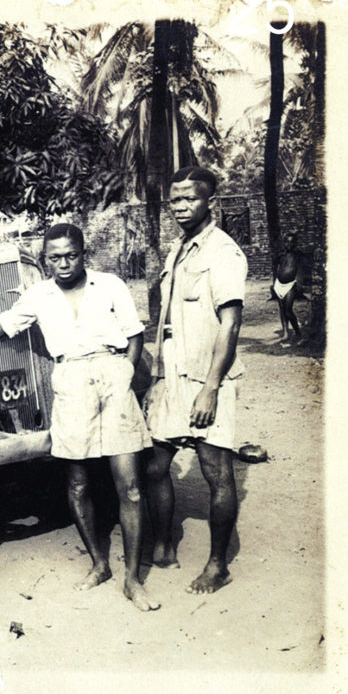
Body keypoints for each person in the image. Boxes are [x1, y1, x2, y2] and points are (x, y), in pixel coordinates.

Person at [0, 223, 159, 612]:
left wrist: (126, 370)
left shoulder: (110, 285)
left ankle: (133, 580)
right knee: (76, 484)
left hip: (112, 375)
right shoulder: (38, 295)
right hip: (70, 381)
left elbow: (134, 333)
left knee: (131, 486)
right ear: (45, 259)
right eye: (54, 257)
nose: (63, 263)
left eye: (71, 255)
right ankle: (99, 564)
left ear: (83, 253)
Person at [143, 166, 247, 594]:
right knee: (155, 464)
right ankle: (165, 544)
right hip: (173, 377)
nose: (181, 206)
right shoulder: (178, 250)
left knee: (216, 472)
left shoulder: (223, 252)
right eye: (175, 199)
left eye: (190, 199)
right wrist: (159, 378)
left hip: (209, 379)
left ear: (211, 203)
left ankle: (217, 565)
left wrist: (210, 387)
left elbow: (231, 325)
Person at [272, 232, 301, 346]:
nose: (289, 244)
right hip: (279, 284)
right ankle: (285, 333)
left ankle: (298, 333)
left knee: (288, 309)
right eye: (287, 242)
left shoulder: (298, 255)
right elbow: (277, 266)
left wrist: (299, 282)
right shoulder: (282, 255)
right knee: (282, 309)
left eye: (291, 242)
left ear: (295, 243)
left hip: (290, 284)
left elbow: (300, 269)